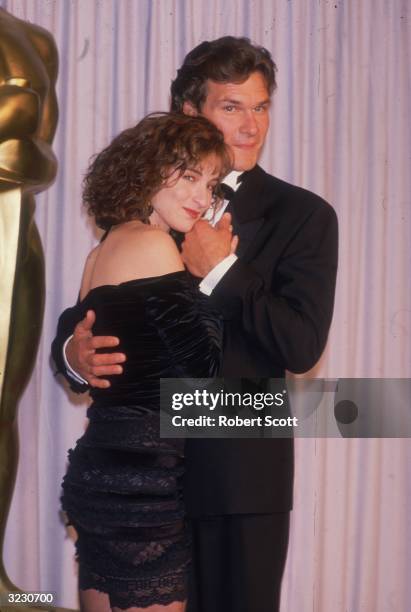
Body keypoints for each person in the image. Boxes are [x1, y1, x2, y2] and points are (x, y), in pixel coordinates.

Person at [52, 37, 338, 612]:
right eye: (232, 106)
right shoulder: (153, 210)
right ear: (190, 112)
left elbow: (302, 345)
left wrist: (224, 271)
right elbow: (92, 314)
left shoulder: (304, 215)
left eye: (261, 107)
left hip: (238, 480)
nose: (251, 124)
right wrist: (71, 355)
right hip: (138, 481)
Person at [57, 112, 232, 612]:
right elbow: (202, 374)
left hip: (100, 475)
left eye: (211, 183)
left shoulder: (102, 251)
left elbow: (78, 348)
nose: (202, 196)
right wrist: (211, 274)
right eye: (189, 176)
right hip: (141, 487)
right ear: (148, 171)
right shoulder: (155, 246)